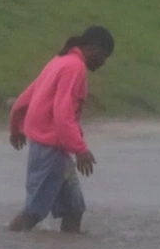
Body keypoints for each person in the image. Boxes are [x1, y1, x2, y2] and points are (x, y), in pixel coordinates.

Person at [6, 26, 115, 234]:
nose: (103, 63)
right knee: (33, 212)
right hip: (49, 150)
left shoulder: (59, 61)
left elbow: (27, 96)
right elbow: (63, 113)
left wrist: (15, 125)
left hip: (57, 151)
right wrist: (80, 148)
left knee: (74, 209)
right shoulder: (74, 67)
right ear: (93, 48)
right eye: (104, 56)